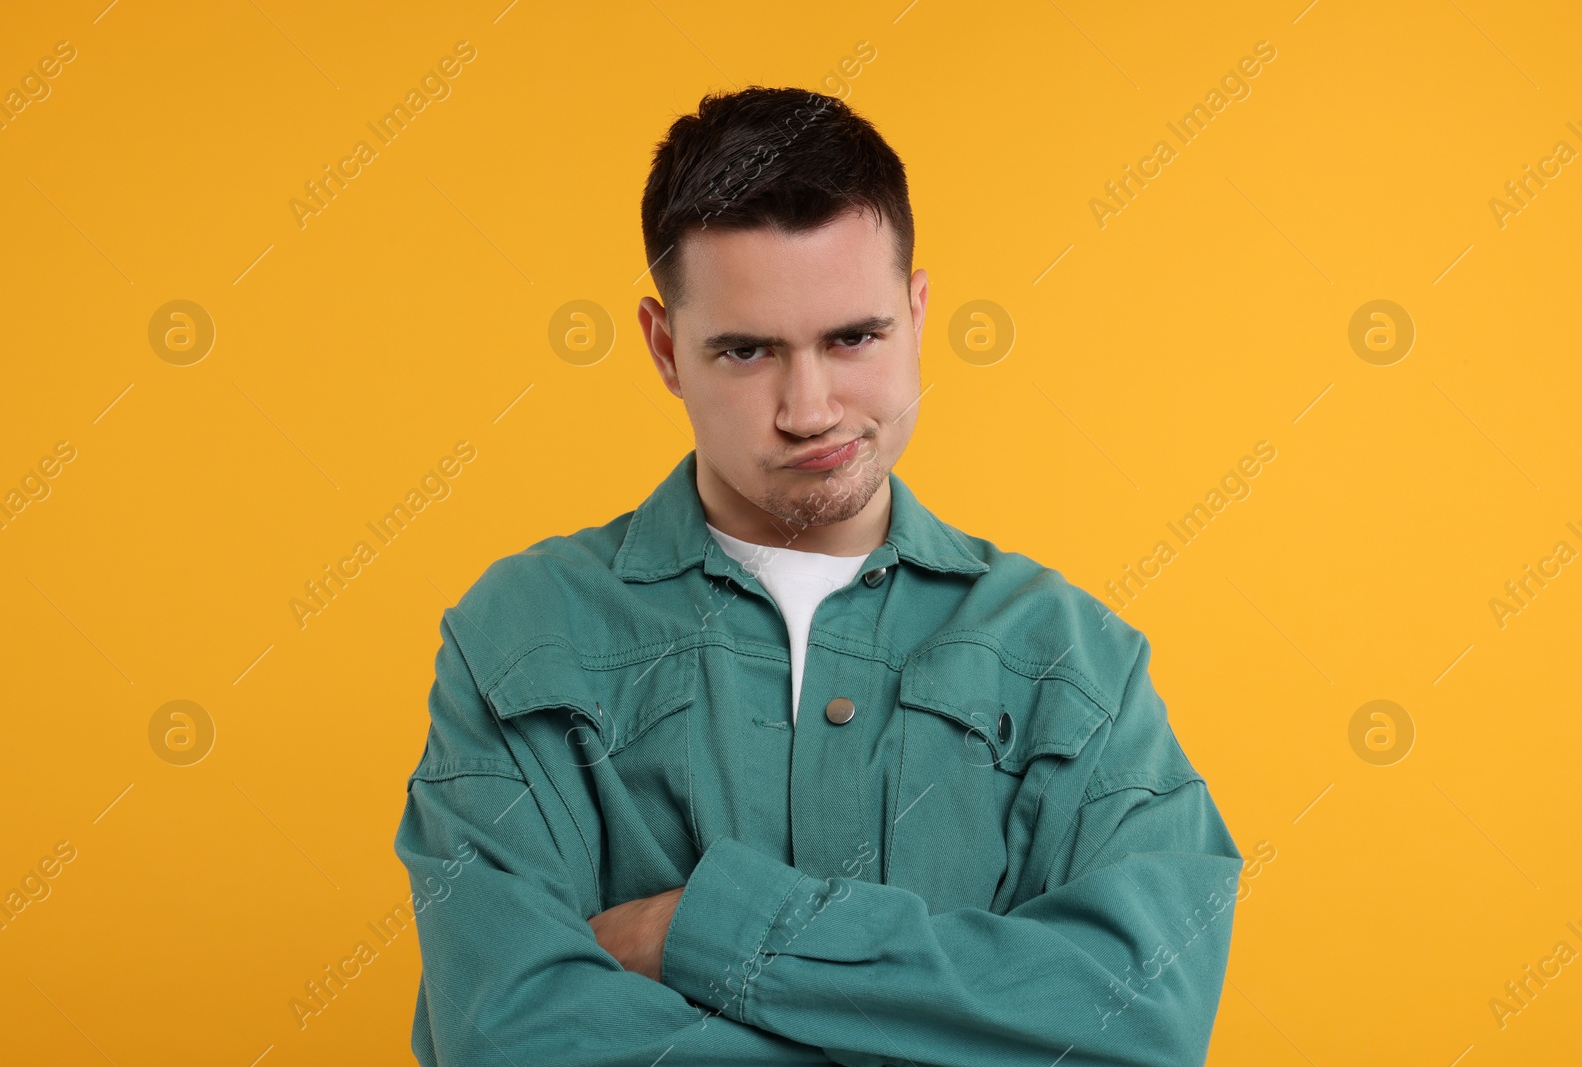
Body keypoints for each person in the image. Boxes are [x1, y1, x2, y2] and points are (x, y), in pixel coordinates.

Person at [394, 85, 1243, 1067]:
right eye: (747, 350)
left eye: (853, 338)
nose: (809, 408)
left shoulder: (1072, 659)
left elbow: (1147, 1011)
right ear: (666, 348)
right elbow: (507, 1034)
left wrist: (698, 930)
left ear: (918, 312)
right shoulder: (519, 632)